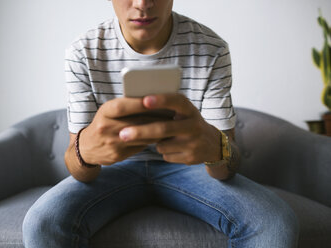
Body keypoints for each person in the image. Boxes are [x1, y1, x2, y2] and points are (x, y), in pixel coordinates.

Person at [22, 0, 299, 247]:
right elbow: (78, 167)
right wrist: (85, 153)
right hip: (112, 171)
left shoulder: (212, 49)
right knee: (41, 223)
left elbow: (226, 167)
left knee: (274, 221)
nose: (142, 4)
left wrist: (216, 149)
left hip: (192, 170)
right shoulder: (82, 53)